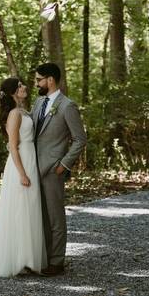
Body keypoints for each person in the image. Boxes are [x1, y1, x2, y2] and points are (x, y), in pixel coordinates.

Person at [31, 63, 87, 276]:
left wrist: (63, 165)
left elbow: (80, 139)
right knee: (41, 216)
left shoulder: (67, 106)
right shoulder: (38, 103)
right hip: (34, 168)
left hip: (53, 169)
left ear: (50, 80)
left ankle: (56, 261)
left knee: (55, 217)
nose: (36, 83)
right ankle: (43, 258)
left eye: (39, 79)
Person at [0, 77, 46, 277]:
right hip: (20, 163)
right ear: (13, 91)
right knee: (21, 210)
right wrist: (22, 173)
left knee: (30, 208)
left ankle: (29, 258)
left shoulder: (22, 111)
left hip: (30, 159)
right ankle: (20, 259)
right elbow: (13, 146)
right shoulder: (14, 114)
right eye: (20, 86)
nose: (24, 87)